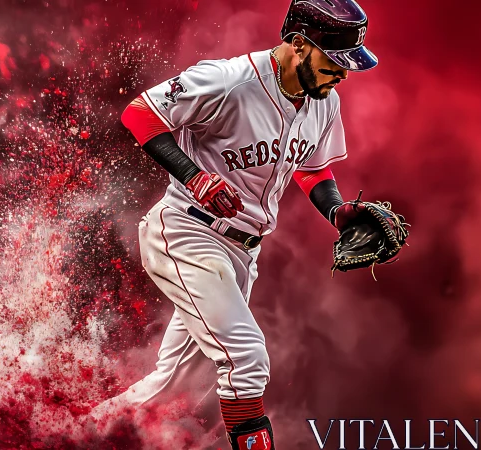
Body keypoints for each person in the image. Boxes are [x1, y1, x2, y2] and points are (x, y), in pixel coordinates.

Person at [114, 0, 378, 447]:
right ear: (298, 43)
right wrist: (194, 177)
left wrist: (338, 212)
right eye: (334, 60)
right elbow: (139, 113)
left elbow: (312, 168)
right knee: (246, 358)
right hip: (187, 232)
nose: (343, 73)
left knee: (175, 388)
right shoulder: (229, 80)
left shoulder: (323, 101)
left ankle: (76, 432)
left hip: (241, 253)